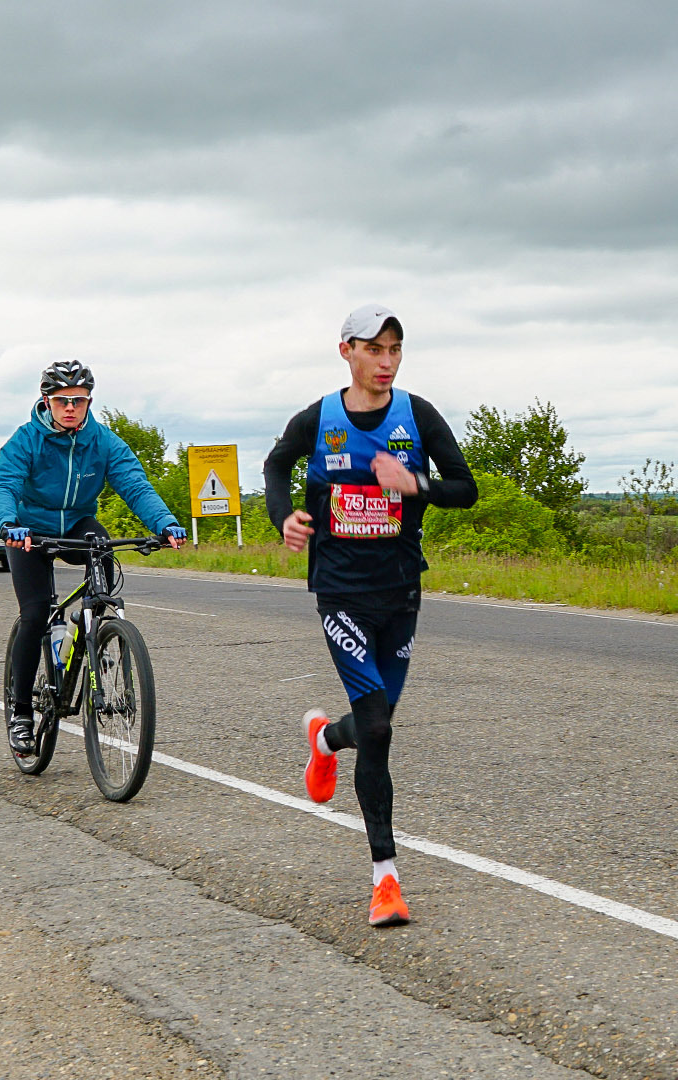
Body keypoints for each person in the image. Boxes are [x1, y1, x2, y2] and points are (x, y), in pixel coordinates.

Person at [264, 303, 477, 927]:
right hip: (339, 589)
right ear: (346, 352)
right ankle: (385, 879)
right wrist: (285, 516)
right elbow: (278, 465)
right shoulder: (321, 419)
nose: (386, 362)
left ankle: (327, 739)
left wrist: (417, 485)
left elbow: (465, 488)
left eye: (395, 351)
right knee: (379, 729)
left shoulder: (417, 416)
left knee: (373, 721)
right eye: (375, 350)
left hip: (400, 590)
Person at [0, 360, 187, 754]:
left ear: (88, 402)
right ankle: (22, 714)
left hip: (78, 523)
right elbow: (4, 483)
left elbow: (135, 484)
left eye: (78, 401)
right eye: (62, 400)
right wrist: (9, 522)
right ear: (47, 401)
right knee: (34, 615)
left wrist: (165, 522)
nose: (70, 408)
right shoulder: (26, 439)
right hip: (29, 532)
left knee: (104, 549)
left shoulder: (104, 442)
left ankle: (92, 628)